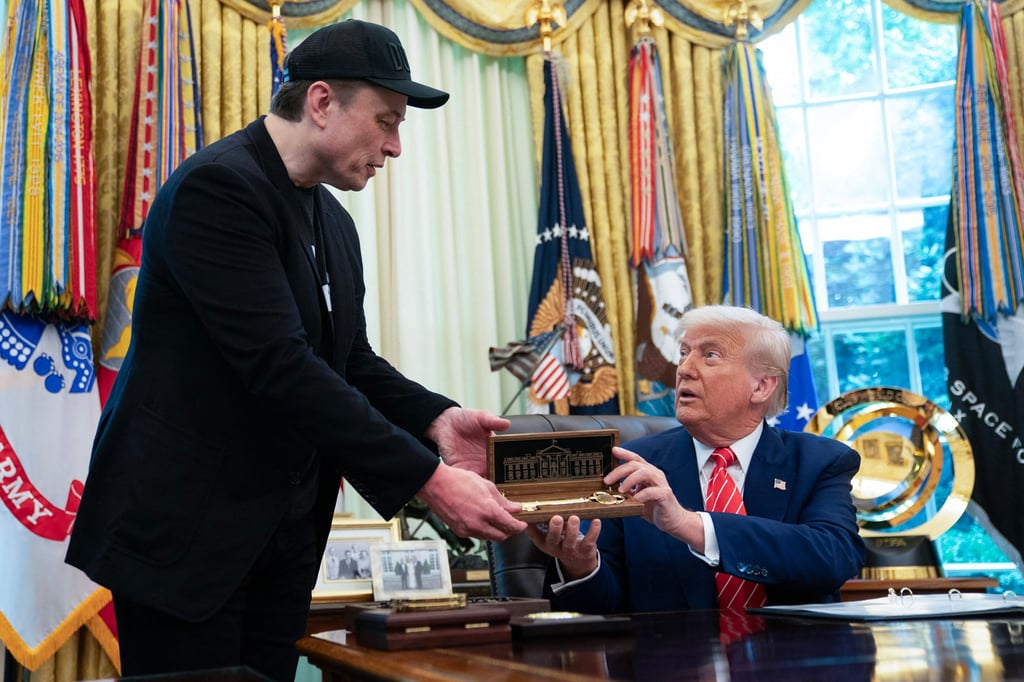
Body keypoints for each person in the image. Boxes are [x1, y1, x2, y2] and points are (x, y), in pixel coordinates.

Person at [65, 19, 525, 682]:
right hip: (184, 542)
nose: (395, 147)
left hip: (280, 541)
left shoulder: (332, 219)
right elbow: (279, 366)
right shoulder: (217, 191)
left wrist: (435, 420)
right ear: (320, 103)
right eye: (387, 121)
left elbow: (350, 361)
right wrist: (425, 478)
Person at [527, 305, 865, 613]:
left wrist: (689, 525)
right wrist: (581, 566)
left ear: (761, 387)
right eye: (684, 353)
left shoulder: (820, 461)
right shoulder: (631, 465)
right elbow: (605, 610)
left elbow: (833, 558)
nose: (684, 369)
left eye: (710, 355)